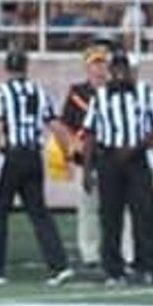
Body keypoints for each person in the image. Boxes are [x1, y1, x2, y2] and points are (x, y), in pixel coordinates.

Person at [82, 52, 153, 286]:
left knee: (146, 214)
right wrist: (87, 169)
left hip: (136, 160)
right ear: (111, 72)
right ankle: (114, 270)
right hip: (109, 159)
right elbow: (90, 134)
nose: (121, 74)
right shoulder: (99, 97)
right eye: (117, 69)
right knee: (110, 217)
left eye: (125, 69)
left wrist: (136, 147)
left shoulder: (144, 94)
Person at [0, 48, 72, 284]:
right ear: (26, 67)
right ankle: (59, 265)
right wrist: (70, 153)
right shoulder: (39, 92)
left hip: (11, 156)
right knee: (39, 213)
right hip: (33, 156)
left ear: (6, 68)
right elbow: (55, 125)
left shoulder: (2, 92)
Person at [59, 47, 110, 268]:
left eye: (102, 63)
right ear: (87, 67)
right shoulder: (77, 92)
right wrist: (74, 145)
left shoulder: (116, 91)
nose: (99, 68)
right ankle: (90, 253)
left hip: (111, 157)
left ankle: (126, 250)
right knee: (88, 207)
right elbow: (66, 123)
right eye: (94, 64)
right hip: (86, 159)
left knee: (119, 208)